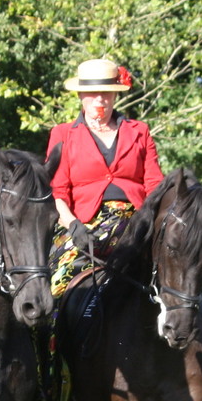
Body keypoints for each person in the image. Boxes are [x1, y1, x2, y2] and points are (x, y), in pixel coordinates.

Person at [47, 58, 163, 294]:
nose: (100, 98)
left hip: (136, 223)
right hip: (83, 226)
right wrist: (73, 225)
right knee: (56, 282)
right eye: (93, 92)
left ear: (115, 96)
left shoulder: (139, 131)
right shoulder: (62, 133)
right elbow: (57, 192)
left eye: (107, 92)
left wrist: (151, 219)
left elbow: (154, 184)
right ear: (80, 95)